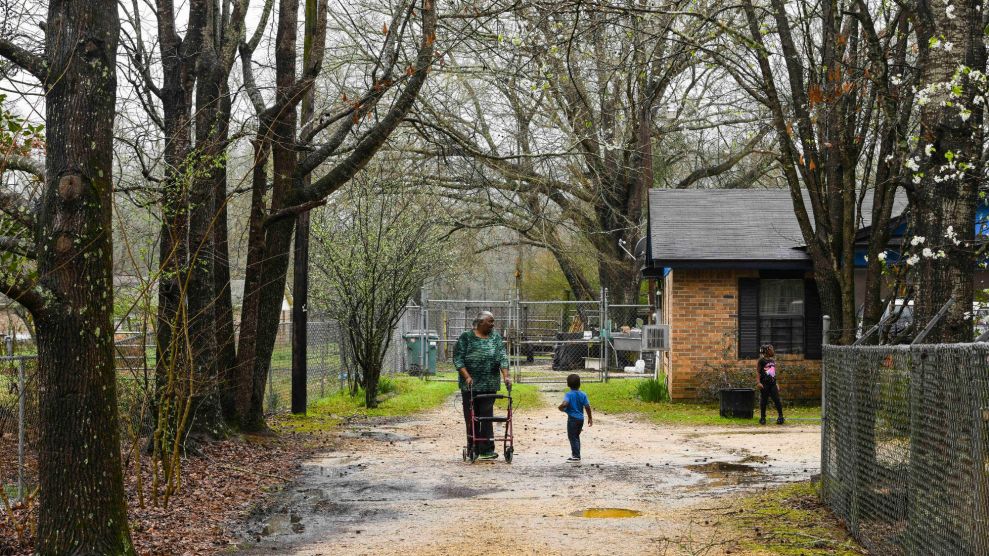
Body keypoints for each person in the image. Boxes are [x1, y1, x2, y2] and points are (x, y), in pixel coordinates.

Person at [454, 311, 511, 461]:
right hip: (470, 385)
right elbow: (458, 359)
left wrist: (506, 376)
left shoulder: (495, 337)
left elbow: (502, 357)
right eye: (490, 321)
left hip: (489, 382)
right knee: (471, 415)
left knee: (486, 415)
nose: (493, 324)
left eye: (493, 321)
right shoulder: (466, 338)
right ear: (480, 323)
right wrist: (466, 376)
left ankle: (486, 449)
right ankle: (472, 445)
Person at [558, 373, 592, 462]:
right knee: (576, 436)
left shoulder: (568, 395)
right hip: (581, 419)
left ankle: (576, 455)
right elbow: (587, 406)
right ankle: (577, 454)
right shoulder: (583, 394)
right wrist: (590, 417)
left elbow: (565, 403)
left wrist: (561, 407)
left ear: (568, 384)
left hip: (572, 419)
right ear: (579, 384)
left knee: (572, 436)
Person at [757, 344, 784, 425]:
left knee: (777, 400)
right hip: (764, 384)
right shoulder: (761, 361)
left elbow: (773, 373)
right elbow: (758, 372)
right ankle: (762, 418)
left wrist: (776, 383)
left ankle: (781, 416)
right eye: (771, 349)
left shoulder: (772, 361)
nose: (773, 351)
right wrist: (758, 382)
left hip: (772, 384)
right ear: (766, 351)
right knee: (764, 401)